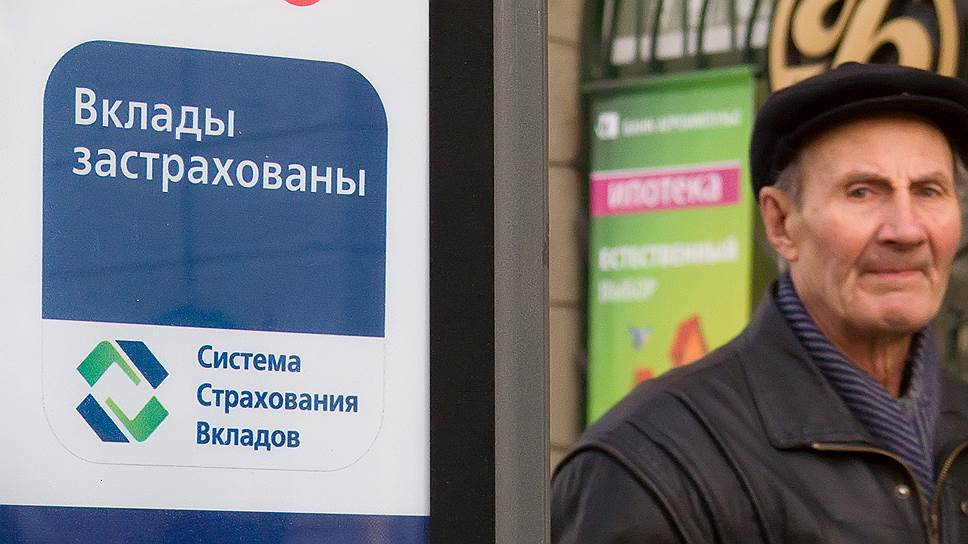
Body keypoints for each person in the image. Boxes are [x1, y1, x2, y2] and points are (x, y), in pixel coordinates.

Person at [552, 62, 968, 543]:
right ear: (780, 224)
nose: (907, 230)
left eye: (928, 191)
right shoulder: (651, 467)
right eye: (862, 192)